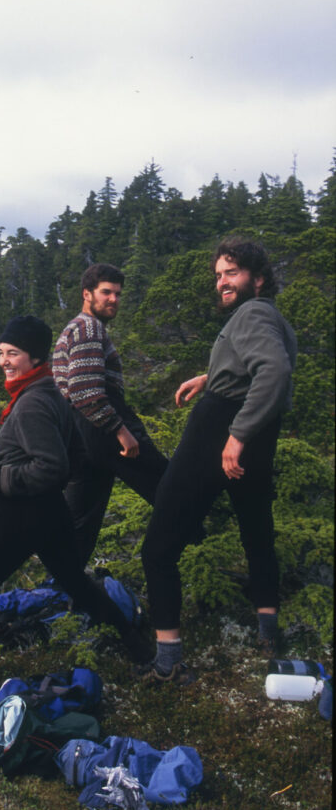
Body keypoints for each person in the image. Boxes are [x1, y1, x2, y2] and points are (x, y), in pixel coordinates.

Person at [139, 238, 297, 682]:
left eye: (231, 273)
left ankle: (168, 662)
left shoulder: (251, 313)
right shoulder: (274, 319)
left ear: (258, 278)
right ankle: (268, 634)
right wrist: (212, 376)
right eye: (218, 275)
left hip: (221, 429)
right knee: (256, 530)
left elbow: (275, 372)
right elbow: (267, 364)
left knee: (159, 547)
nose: (221, 282)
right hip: (259, 432)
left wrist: (234, 435)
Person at [0, 315, 153, 676]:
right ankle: (139, 649)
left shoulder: (31, 404)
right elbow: (76, 458)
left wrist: (3, 479)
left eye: (14, 354)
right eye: (2, 352)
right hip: (53, 513)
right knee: (77, 584)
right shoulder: (53, 393)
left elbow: (50, 466)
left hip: (17, 514)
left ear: (36, 358)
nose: (4, 361)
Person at [53, 264, 169, 567]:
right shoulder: (88, 328)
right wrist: (121, 431)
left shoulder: (73, 329)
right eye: (106, 292)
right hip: (102, 426)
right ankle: (203, 551)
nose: (113, 299)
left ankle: (66, 590)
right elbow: (85, 390)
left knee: (79, 522)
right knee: (170, 487)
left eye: (118, 293)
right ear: (87, 294)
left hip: (79, 435)